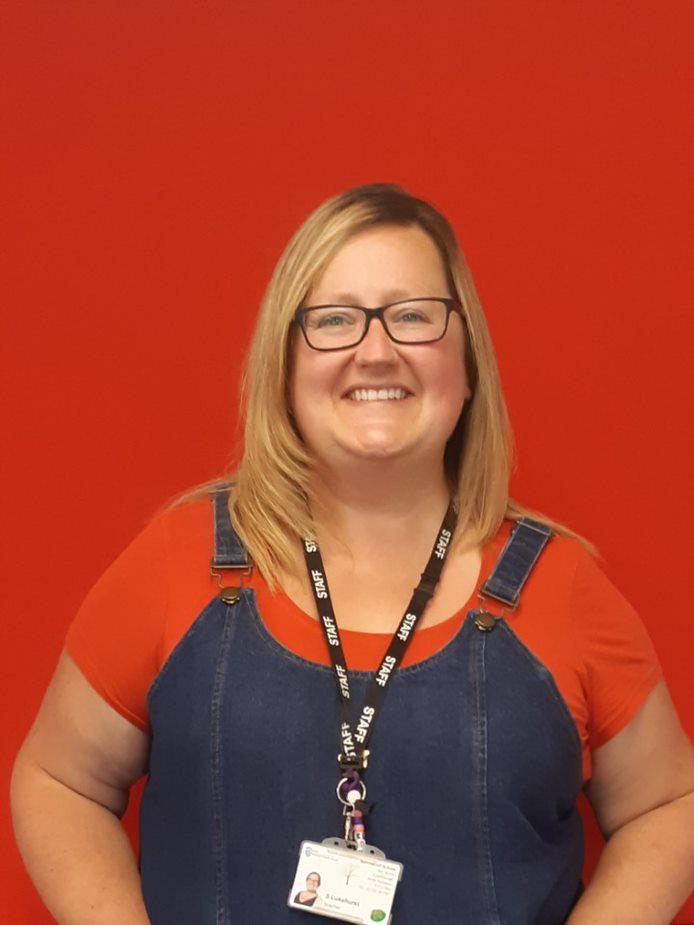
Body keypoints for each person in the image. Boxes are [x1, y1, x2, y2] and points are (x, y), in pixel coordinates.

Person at [11, 183, 694, 924]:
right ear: (284, 366)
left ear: (467, 364)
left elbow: (669, 804)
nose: (376, 351)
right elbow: (58, 781)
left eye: (412, 316)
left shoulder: (564, 589)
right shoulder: (176, 563)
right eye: (334, 320)